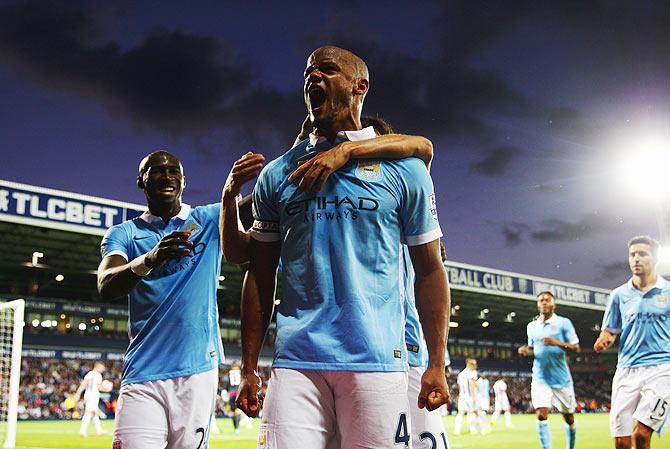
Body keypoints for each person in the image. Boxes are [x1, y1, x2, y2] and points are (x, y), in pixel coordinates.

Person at [236, 45, 451, 449]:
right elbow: (258, 273)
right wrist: (248, 367)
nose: (312, 76)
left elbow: (430, 270)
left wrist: (437, 362)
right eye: (308, 71)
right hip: (297, 358)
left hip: (376, 358)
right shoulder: (277, 173)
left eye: (327, 69)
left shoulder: (405, 170)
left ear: (360, 86)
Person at [97, 150, 224, 449]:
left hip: (196, 370)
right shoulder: (125, 233)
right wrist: (150, 259)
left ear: (183, 181)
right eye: (156, 171)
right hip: (142, 372)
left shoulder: (208, 219)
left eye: (173, 171)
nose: (166, 176)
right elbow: (106, 284)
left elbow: (263, 198)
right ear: (141, 181)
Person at [594, 235, 670, 449]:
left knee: (642, 434)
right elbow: (609, 331)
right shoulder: (619, 295)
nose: (636, 258)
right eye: (632, 254)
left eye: (642, 254)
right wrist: (603, 340)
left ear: (655, 258)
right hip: (627, 370)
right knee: (622, 442)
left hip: (662, 369)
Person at [518, 291, 580, 449]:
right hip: (540, 376)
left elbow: (576, 348)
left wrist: (557, 343)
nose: (544, 302)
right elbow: (532, 348)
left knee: (568, 417)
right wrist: (526, 351)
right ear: (538, 304)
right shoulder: (531, 327)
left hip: (561, 377)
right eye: (541, 300)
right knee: (541, 414)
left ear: (554, 304)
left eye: (547, 300)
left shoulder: (563, 323)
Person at [74, 362, 107, 437]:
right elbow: (98, 387)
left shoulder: (89, 374)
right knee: (88, 412)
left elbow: (83, 384)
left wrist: (78, 394)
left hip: (87, 394)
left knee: (94, 413)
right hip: (93, 395)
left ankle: (99, 430)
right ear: (98, 367)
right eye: (102, 368)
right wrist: (107, 389)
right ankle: (82, 431)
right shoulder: (98, 375)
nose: (103, 369)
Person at [454, 358, 482, 435]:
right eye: (475, 364)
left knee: (461, 413)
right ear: (471, 364)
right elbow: (472, 385)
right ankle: (472, 429)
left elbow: (459, 386)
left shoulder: (461, 374)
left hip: (462, 395)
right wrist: (474, 397)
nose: (476, 366)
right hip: (470, 396)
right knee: (471, 412)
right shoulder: (472, 373)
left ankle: (457, 430)